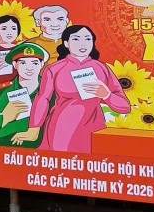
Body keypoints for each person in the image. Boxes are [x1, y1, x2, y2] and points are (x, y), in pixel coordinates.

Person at [11, 24, 130, 154]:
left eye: (87, 39)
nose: (82, 43)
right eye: (76, 39)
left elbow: (125, 107)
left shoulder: (102, 68)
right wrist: (34, 128)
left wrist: (107, 95)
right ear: (66, 43)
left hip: (94, 128)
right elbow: (42, 98)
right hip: (62, 128)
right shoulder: (54, 69)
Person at [0, 42, 48, 145]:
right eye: (23, 63)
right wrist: (4, 117)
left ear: (42, 64)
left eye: (35, 63)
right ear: (15, 65)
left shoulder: (52, 94)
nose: (29, 68)